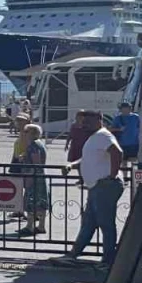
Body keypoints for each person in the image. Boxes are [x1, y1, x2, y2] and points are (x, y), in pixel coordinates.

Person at [60, 113, 125, 267]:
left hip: (105, 185)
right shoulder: (95, 137)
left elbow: (117, 152)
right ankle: (73, 254)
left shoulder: (103, 135)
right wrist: (72, 165)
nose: (85, 124)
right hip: (97, 186)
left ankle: (108, 261)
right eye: (83, 122)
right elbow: (87, 158)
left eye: (88, 121)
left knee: (105, 224)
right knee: (89, 223)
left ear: (99, 121)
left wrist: (112, 175)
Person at [16, 124, 50, 237]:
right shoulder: (39, 143)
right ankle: (41, 226)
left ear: (33, 133)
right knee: (41, 201)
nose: (24, 133)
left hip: (34, 177)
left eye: (27, 131)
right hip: (40, 177)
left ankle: (30, 226)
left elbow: (36, 163)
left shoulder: (33, 145)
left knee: (31, 201)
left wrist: (30, 176)